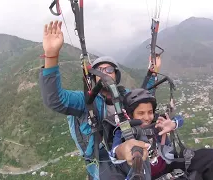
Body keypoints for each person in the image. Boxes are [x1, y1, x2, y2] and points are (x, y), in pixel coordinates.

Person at [40, 20, 160, 179]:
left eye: (109, 69)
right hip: (100, 159)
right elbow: (55, 99)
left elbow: (144, 98)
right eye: (99, 70)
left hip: (126, 148)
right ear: (93, 78)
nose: (104, 73)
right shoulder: (86, 100)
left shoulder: (124, 95)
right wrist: (51, 56)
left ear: (115, 75)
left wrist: (153, 73)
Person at [111, 88, 213, 180]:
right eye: (140, 113)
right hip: (147, 176)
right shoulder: (124, 131)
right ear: (130, 114)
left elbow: (180, 119)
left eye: (150, 112)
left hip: (167, 165)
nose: (147, 117)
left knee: (211, 156)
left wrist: (173, 124)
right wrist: (122, 151)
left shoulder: (156, 123)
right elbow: (114, 153)